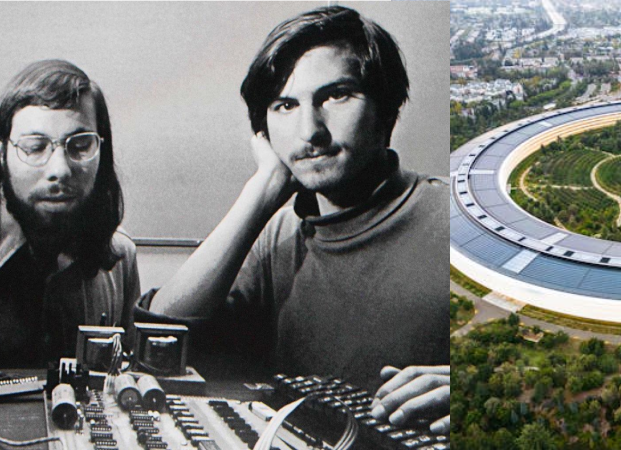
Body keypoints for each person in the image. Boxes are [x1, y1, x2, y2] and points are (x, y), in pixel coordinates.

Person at [138, 6, 449, 434]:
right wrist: (263, 189)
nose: (309, 131)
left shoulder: (455, 221)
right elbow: (159, 337)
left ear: (387, 108)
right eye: (284, 105)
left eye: (336, 95)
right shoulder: (278, 237)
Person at [0, 60, 139, 367]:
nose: (60, 170)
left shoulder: (120, 258)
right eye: (35, 147)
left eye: (80, 145)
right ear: (2, 155)